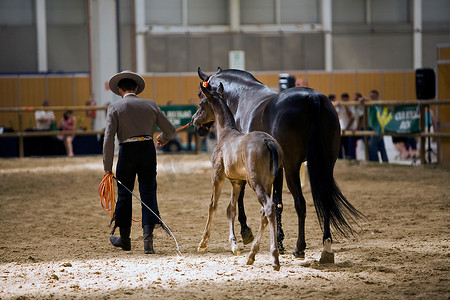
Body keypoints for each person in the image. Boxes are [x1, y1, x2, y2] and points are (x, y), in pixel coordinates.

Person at [103, 70, 175, 254]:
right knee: (148, 191)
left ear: (120, 90)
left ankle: (125, 240)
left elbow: (108, 139)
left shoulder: (114, 108)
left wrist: (107, 168)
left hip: (127, 151)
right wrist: (163, 139)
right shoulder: (150, 104)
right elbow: (170, 129)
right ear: (136, 88)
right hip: (147, 150)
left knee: (125, 195)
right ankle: (148, 242)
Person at [367, 90, 388, 163]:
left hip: (379, 127)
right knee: (381, 145)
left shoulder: (379, 102)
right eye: (371, 96)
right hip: (373, 126)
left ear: (377, 96)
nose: (372, 98)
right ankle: (385, 161)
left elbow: (375, 103)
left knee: (371, 144)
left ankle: (375, 161)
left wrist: (366, 99)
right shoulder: (370, 103)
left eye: (373, 96)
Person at [338, 93, 355, 159]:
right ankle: (340, 158)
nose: (344, 101)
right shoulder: (340, 105)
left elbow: (350, 117)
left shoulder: (351, 106)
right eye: (343, 100)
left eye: (345, 100)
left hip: (349, 128)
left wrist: (346, 107)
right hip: (342, 128)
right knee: (339, 144)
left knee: (347, 145)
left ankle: (348, 157)